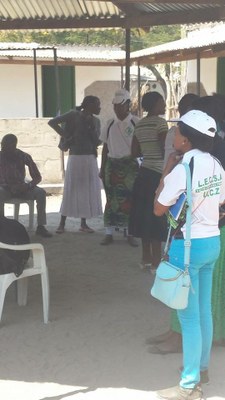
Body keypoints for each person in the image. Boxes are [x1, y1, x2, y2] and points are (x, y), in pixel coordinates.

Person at [154, 110, 225, 399]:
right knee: (204, 311)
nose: (175, 136)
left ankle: (189, 385)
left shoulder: (183, 169)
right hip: (212, 244)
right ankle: (202, 369)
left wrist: (166, 169)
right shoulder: (217, 165)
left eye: (178, 132)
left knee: (189, 318)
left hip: (188, 247)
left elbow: (159, 208)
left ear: (186, 139)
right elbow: (221, 202)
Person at [48, 95, 102, 233]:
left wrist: (91, 128)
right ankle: (62, 223)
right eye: (97, 104)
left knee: (86, 190)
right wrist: (66, 136)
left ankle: (83, 224)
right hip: (75, 157)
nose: (99, 107)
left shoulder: (96, 121)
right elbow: (52, 122)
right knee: (71, 189)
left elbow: (97, 142)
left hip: (90, 158)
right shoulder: (73, 115)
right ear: (89, 105)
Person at [129, 91, 168, 270]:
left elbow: (134, 152)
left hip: (143, 173)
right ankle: (156, 262)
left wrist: (147, 152)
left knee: (144, 216)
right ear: (154, 105)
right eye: (161, 101)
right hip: (158, 174)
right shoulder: (160, 123)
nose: (165, 104)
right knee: (157, 218)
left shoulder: (140, 124)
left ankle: (145, 258)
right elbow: (163, 148)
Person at [99, 88, 139, 246]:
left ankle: (130, 233)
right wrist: (102, 168)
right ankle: (109, 232)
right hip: (112, 165)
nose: (117, 108)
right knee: (110, 199)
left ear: (128, 104)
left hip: (129, 165)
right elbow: (105, 147)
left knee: (129, 199)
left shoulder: (136, 122)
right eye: (115, 106)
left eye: (120, 105)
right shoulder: (109, 124)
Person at [0, 133, 52, 237]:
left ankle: (41, 227)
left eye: (6, 146)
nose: (3, 148)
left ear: (14, 145)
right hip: (5, 189)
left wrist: (27, 186)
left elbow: (37, 177)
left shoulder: (24, 156)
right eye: (2, 145)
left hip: (22, 188)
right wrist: (8, 186)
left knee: (41, 193)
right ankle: (2, 225)